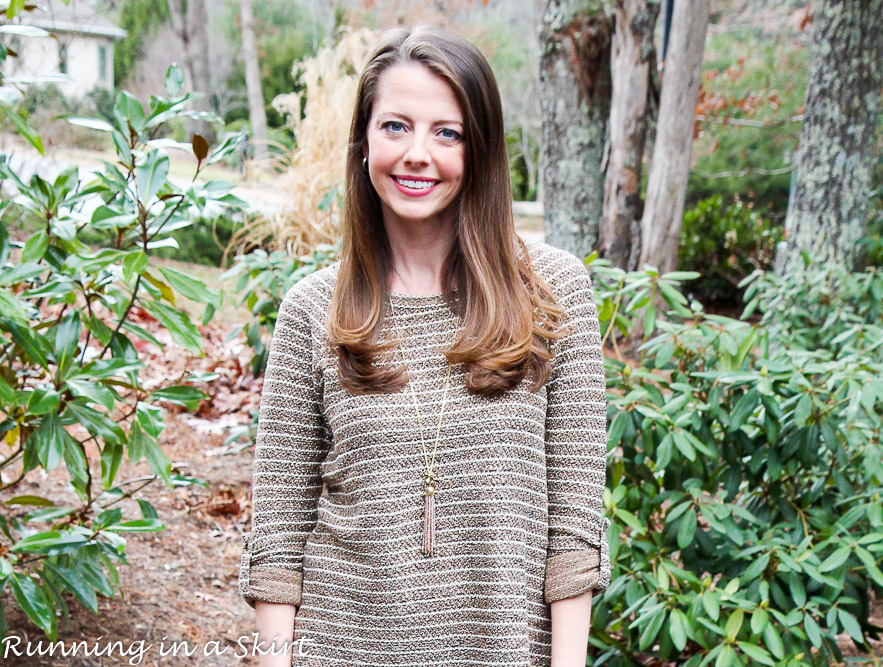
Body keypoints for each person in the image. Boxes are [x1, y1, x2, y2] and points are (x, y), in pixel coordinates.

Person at [238, 24, 610, 667]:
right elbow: (276, 536)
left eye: (448, 132)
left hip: (506, 650)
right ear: (363, 142)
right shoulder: (311, 310)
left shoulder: (555, 294)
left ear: (481, 152)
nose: (417, 154)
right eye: (395, 126)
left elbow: (575, 529)